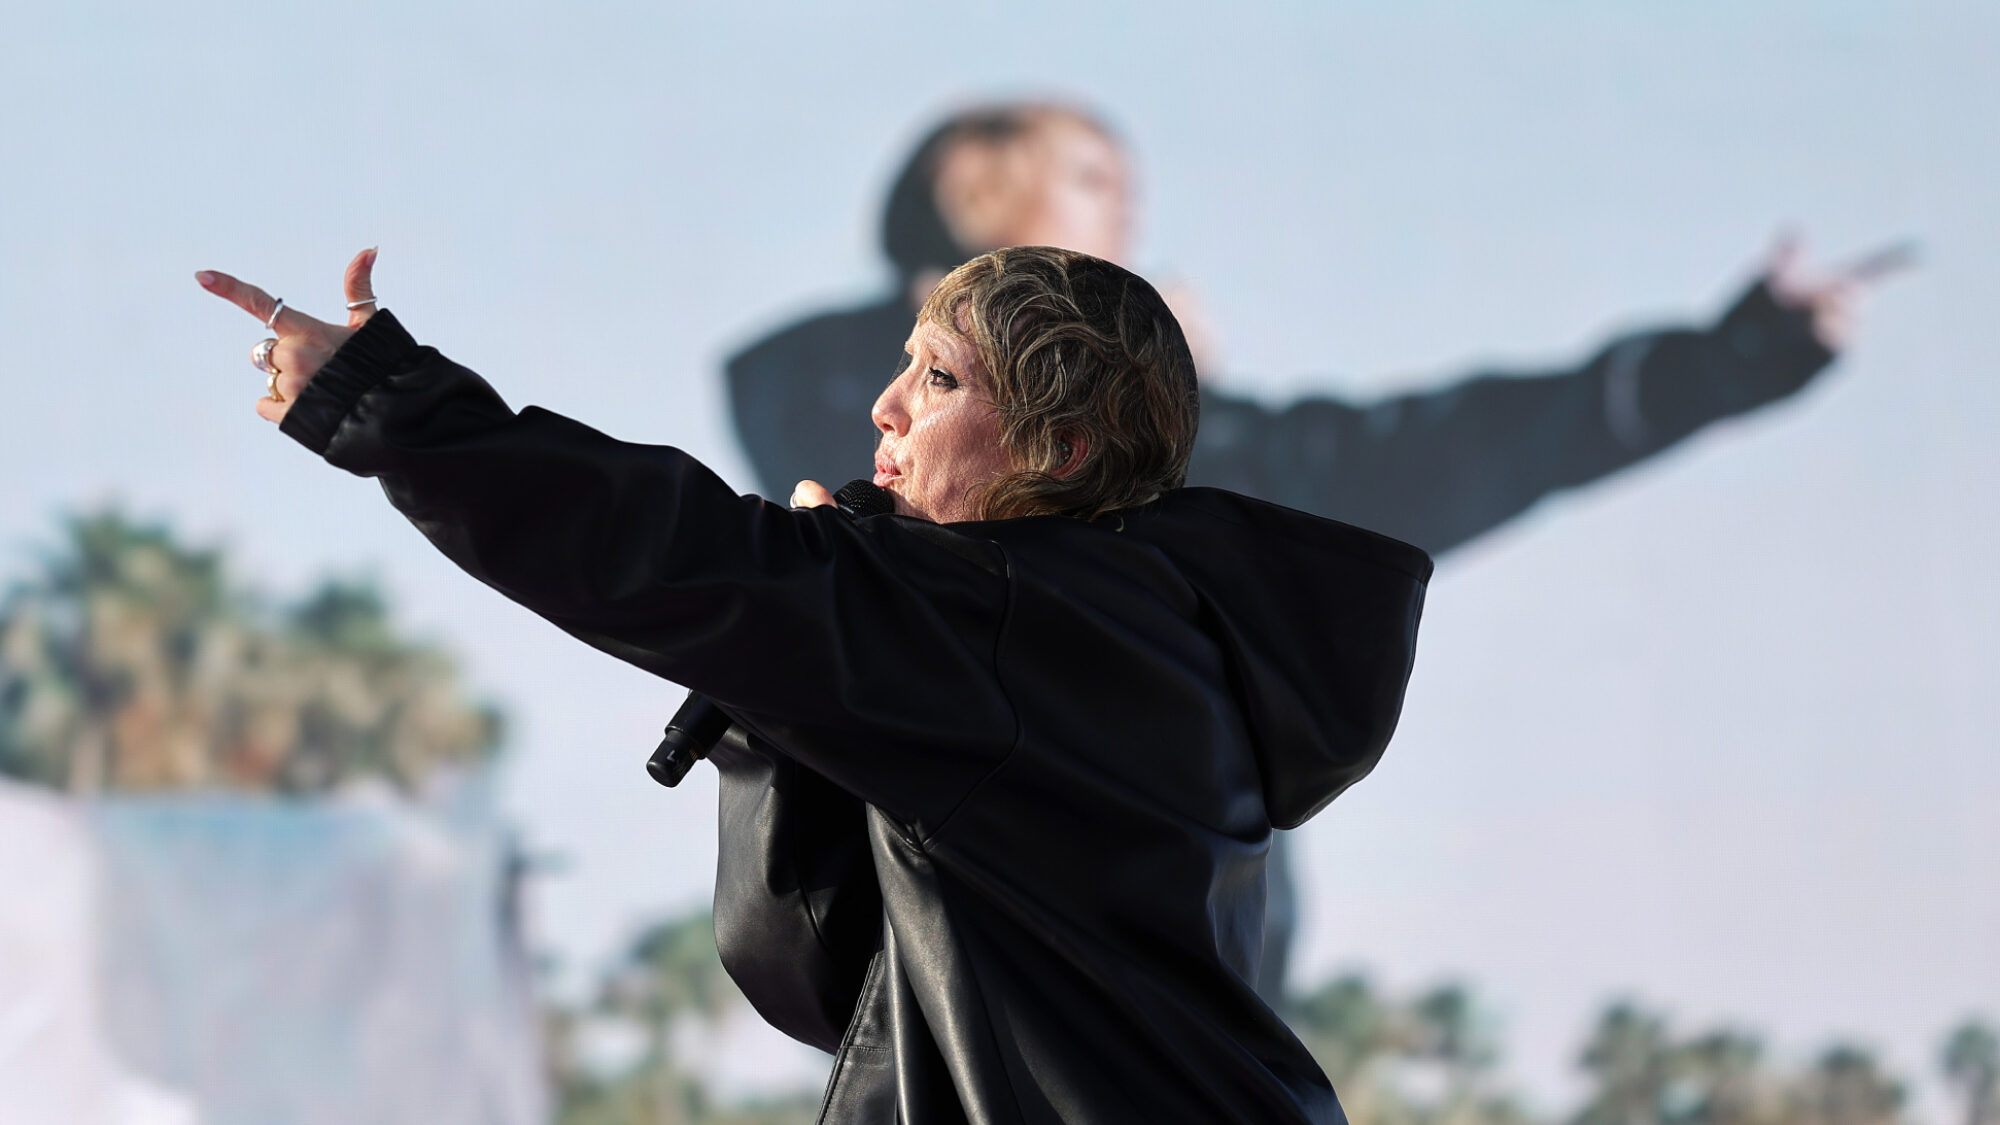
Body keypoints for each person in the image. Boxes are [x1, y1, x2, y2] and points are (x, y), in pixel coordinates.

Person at [199, 245, 1433, 1123]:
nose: (886, 407)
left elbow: (664, 553)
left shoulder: (1010, 622)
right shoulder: (1114, 632)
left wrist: (388, 407)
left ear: (1058, 451)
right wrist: (782, 694)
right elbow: (813, 969)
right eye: (905, 366)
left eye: (940, 379)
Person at [726, 102, 1885, 1001]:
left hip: (1179, 976)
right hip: (978, 949)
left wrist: (1718, 363)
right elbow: (902, 528)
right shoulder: (822, 381)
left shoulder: (1179, 432)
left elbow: (1430, 450)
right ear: (969, 187)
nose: (1126, 210)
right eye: (1089, 178)